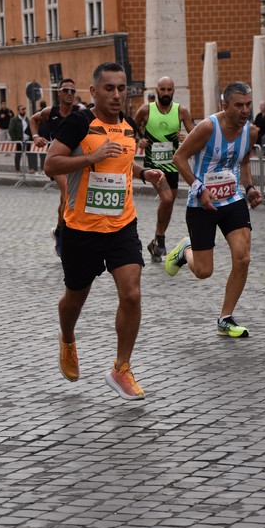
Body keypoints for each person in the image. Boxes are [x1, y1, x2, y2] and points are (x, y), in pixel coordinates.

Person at [44, 62, 168, 400]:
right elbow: (50, 164)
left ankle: (121, 368)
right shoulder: (79, 123)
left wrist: (145, 175)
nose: (116, 95)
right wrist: (90, 157)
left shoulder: (128, 125)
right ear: (94, 91)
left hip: (121, 225)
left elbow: (122, 163)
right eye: (109, 88)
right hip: (81, 229)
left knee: (131, 293)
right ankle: (67, 339)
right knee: (74, 298)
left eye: (121, 88)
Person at [165, 81, 263, 338]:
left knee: (243, 258)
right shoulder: (208, 127)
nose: (245, 110)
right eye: (238, 105)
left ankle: (225, 318)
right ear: (224, 105)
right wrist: (199, 188)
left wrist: (250, 188)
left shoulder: (250, 132)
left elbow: (243, 164)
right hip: (201, 204)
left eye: (248, 104)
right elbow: (179, 158)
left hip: (232, 200)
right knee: (203, 271)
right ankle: (185, 250)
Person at [134, 76, 194, 262]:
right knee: (167, 198)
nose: (166, 93)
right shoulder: (146, 110)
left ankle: (156, 241)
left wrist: (187, 137)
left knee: (168, 203)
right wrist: (138, 140)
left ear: (173, 91)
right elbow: (129, 129)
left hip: (172, 165)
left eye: (169, 90)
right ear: (157, 90)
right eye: (163, 89)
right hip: (154, 165)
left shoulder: (180, 111)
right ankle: (160, 239)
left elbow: (196, 133)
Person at [30, 78, 83, 257]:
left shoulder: (80, 111)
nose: (69, 94)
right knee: (68, 194)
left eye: (72, 91)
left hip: (75, 160)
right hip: (58, 161)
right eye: (66, 90)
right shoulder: (50, 112)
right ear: (58, 93)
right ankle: (65, 238)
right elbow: (32, 119)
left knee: (63, 200)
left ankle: (59, 231)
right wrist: (36, 136)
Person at [8, 105, 32, 173]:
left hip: (27, 140)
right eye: (22, 109)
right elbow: (11, 130)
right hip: (19, 140)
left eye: (25, 109)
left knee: (29, 155)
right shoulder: (14, 120)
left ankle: (31, 168)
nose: (24, 111)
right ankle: (17, 169)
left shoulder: (27, 119)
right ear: (19, 111)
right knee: (18, 155)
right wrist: (15, 140)